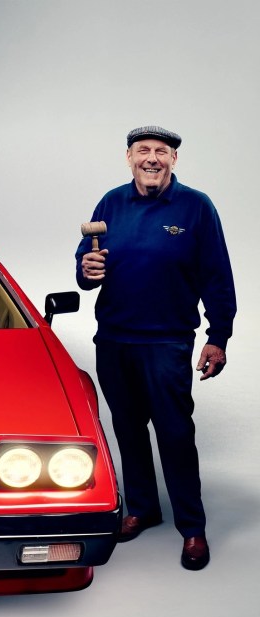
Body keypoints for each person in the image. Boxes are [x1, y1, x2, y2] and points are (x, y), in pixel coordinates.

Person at [76, 126, 236, 571]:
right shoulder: (111, 202)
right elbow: (84, 264)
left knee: (175, 434)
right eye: (142, 150)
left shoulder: (195, 207)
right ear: (128, 158)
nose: (152, 158)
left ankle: (192, 528)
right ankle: (144, 508)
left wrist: (218, 336)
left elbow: (217, 276)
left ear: (173, 161)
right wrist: (85, 269)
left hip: (166, 342)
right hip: (113, 338)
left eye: (161, 151)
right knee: (128, 429)